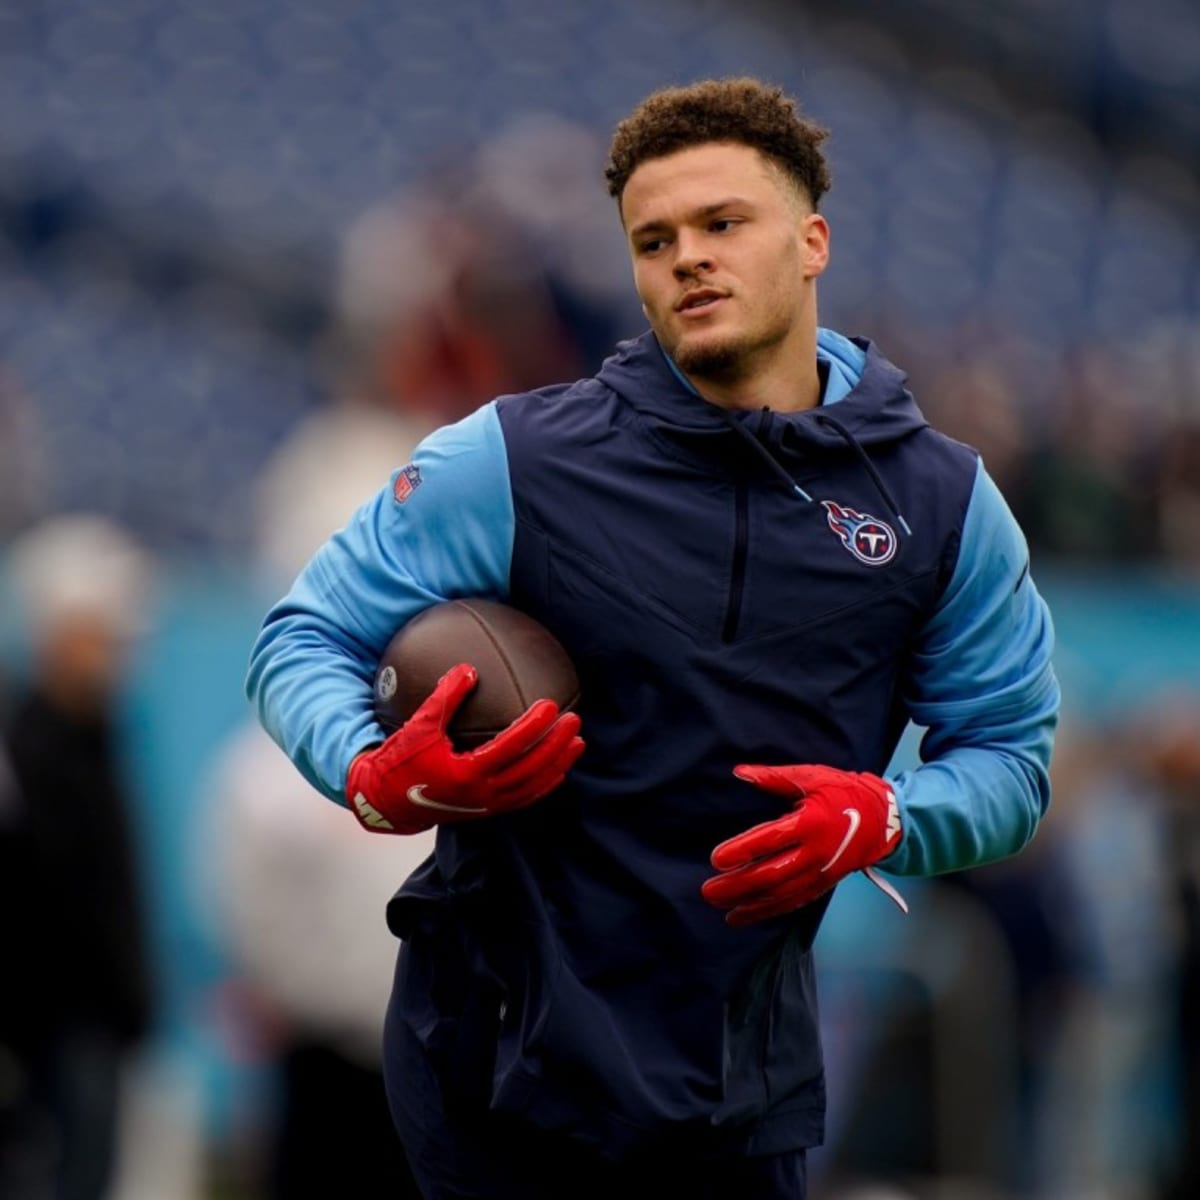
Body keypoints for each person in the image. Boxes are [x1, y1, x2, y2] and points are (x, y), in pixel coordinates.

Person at [245, 78, 1060, 1200]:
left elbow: (1012, 759)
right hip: (490, 1056)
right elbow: (305, 636)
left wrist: (888, 817)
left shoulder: (944, 504)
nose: (688, 258)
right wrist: (369, 771)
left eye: (724, 223)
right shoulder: (516, 458)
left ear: (811, 239)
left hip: (740, 1081)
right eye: (654, 238)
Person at [0, 514, 156, 1200]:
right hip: (50, 1027)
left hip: (93, 1018)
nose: (113, 661)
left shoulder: (97, 738)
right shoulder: (31, 747)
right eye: (99, 640)